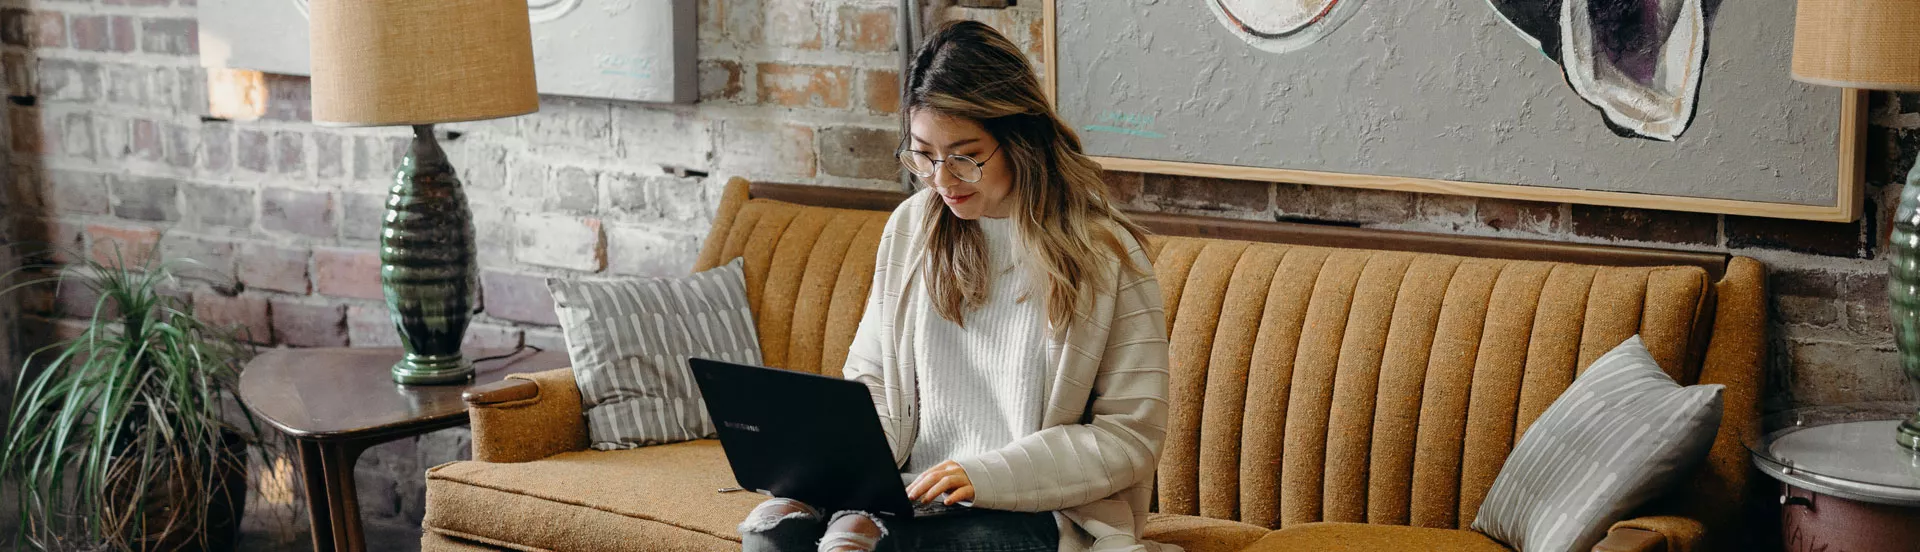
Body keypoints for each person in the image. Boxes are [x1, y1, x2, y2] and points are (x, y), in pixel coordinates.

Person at [736, 20, 1175, 552]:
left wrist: (985, 475)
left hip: (1041, 511)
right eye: (924, 155)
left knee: (857, 543)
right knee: (772, 530)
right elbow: (871, 377)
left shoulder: (1104, 255)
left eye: (965, 156)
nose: (942, 180)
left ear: (1021, 139)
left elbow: (1129, 437)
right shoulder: (912, 227)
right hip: (910, 492)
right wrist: (830, 463)